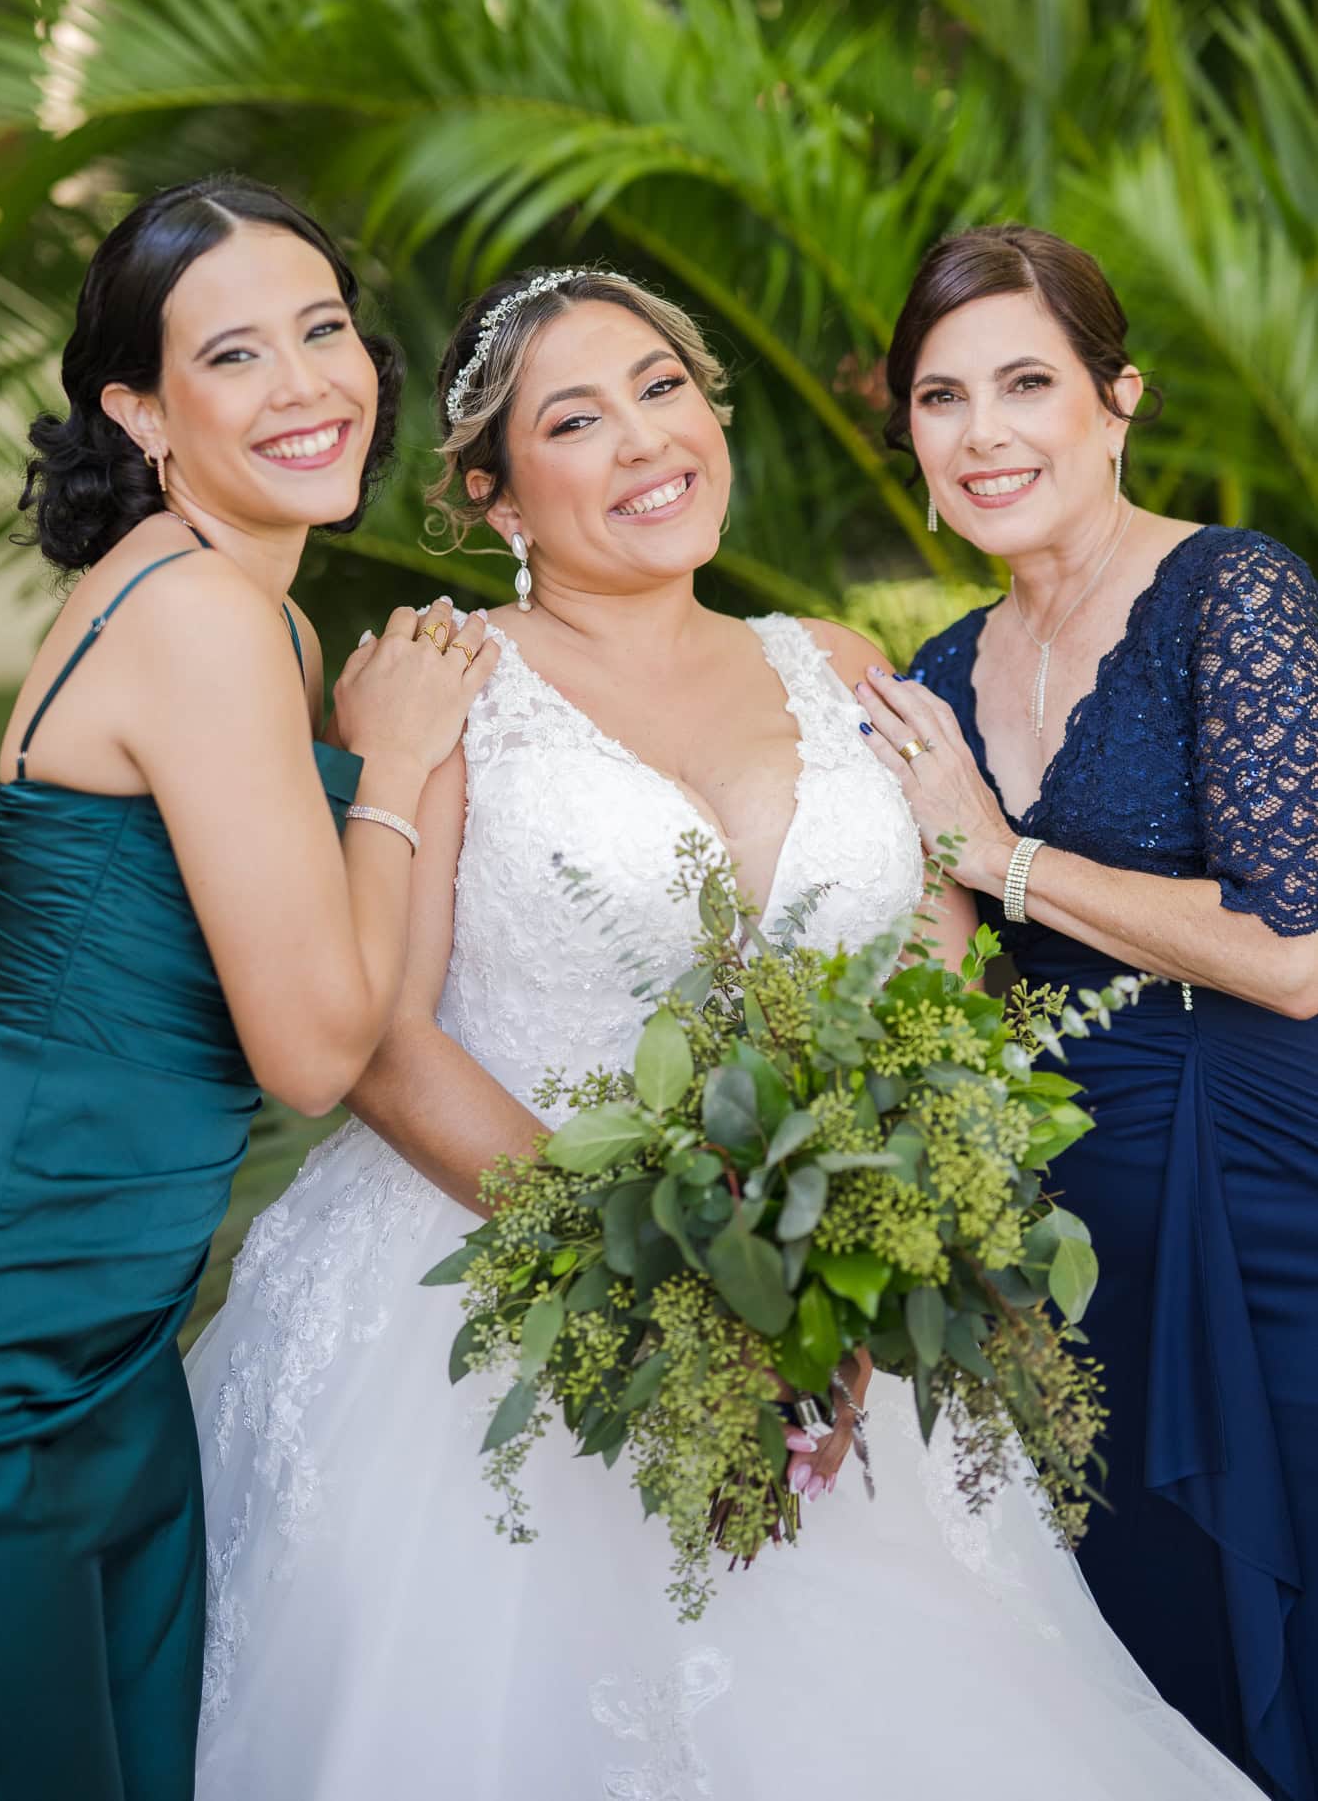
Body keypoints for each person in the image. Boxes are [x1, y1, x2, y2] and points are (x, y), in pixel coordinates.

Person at [188, 265, 1259, 1801]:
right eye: (578, 417)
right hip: (503, 1293)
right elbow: (384, 1044)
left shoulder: (832, 662)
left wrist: (878, 1254)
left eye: (664, 388)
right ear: (496, 494)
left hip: (837, 1323)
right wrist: (661, 1293)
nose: (643, 440)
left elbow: (934, 999)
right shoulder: (451, 688)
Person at [0, 175, 495, 1801]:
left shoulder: (252, 619)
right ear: (142, 409)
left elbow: (356, 986)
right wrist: (393, 762)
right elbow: (319, 1045)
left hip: (97, 1340)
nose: (307, 385)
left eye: (324, 331)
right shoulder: (196, 614)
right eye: (237, 355)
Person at [873, 223, 1318, 1801]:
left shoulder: (1233, 598)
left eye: (1026, 383)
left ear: (1115, 400)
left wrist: (1001, 853)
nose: (983, 432)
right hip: (1060, 1249)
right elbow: (955, 999)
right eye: (941, 397)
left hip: (1260, 1199)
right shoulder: (936, 674)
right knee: (1138, 1664)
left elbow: (1294, 946)